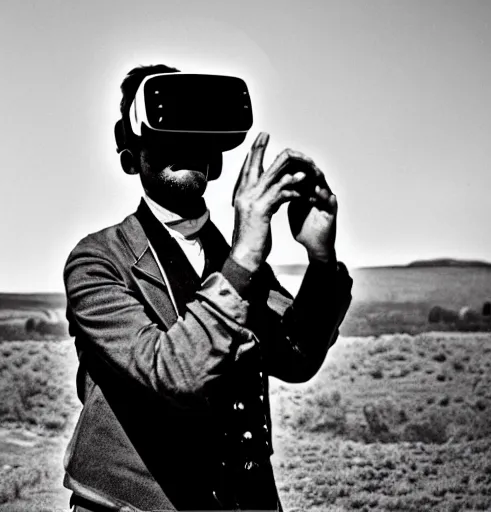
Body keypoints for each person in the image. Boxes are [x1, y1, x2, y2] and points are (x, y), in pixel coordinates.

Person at [63, 63, 353, 512]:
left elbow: (295, 357)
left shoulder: (235, 260)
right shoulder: (98, 261)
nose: (183, 144)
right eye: (164, 130)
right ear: (129, 153)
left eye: (196, 132)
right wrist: (242, 259)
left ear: (215, 156)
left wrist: (321, 258)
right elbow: (171, 372)